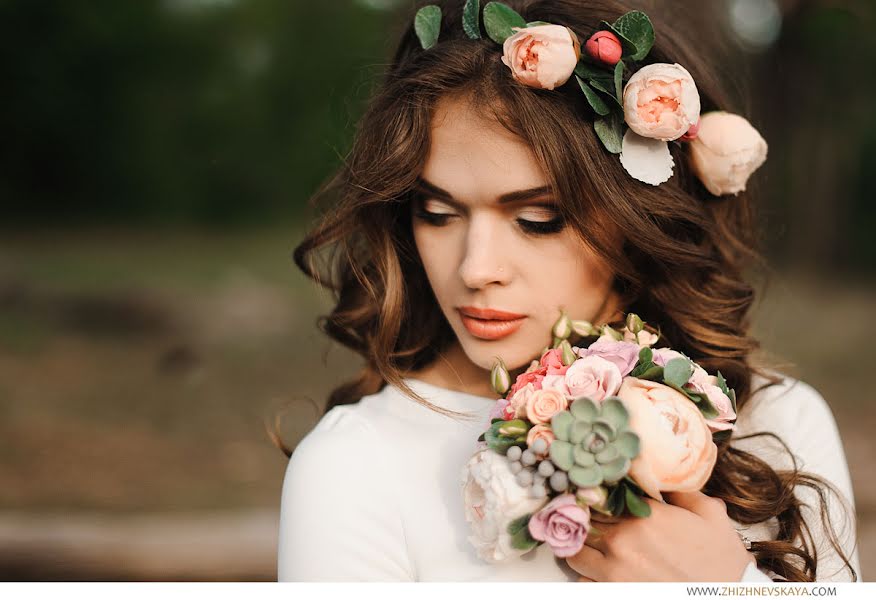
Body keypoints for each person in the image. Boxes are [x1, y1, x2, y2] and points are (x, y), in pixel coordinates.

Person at [275, 0, 860, 582]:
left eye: (537, 220)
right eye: (437, 212)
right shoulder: (356, 466)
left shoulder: (778, 422)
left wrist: (724, 586)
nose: (476, 270)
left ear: (637, 219)